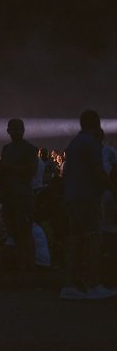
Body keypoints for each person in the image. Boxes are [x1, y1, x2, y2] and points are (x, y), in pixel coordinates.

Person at [59, 110, 117, 300]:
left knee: (75, 239)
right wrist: (113, 189)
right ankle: (94, 284)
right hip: (87, 197)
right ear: (97, 123)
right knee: (94, 238)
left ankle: (69, 285)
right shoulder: (91, 143)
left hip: (73, 197)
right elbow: (99, 173)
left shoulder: (75, 143)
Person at [0, 118, 38, 274]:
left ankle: (30, 266)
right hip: (9, 195)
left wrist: (8, 168)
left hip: (22, 195)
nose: (16, 132)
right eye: (13, 129)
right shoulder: (6, 149)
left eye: (18, 129)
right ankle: (22, 266)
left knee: (25, 231)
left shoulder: (29, 149)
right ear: (8, 131)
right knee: (14, 231)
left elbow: (31, 171)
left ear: (23, 130)